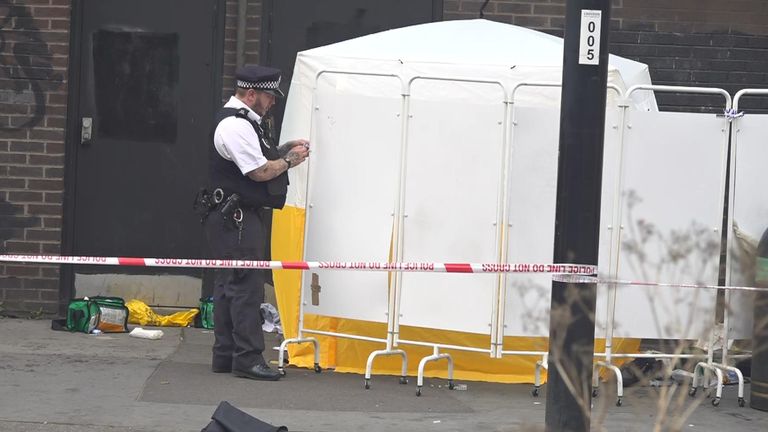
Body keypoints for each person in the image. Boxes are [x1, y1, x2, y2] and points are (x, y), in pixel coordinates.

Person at [205, 64, 309, 381]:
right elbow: (260, 172)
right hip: (236, 219)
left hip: (231, 216)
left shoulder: (244, 122)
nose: (273, 102)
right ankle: (248, 359)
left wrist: (280, 150)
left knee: (227, 288)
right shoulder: (236, 126)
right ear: (251, 94)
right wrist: (290, 160)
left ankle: (225, 356)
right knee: (245, 289)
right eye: (268, 96)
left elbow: (256, 158)